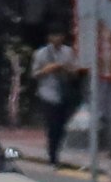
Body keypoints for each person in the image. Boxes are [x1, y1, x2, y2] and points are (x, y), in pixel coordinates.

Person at [32, 30, 86, 166]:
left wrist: (65, 69)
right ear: (49, 37)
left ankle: (56, 150)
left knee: (62, 126)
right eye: (54, 35)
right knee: (52, 125)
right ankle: (52, 155)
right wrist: (47, 69)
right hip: (47, 94)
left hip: (64, 94)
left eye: (60, 35)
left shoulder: (68, 52)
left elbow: (75, 72)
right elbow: (35, 74)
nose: (57, 38)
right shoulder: (41, 54)